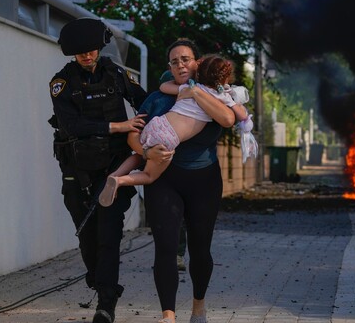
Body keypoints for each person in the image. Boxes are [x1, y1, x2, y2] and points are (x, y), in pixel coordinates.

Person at [48, 17, 147, 323]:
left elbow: (144, 102)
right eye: (81, 53)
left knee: (108, 235)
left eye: (91, 50)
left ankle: (106, 302)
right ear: (72, 54)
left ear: (99, 47)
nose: (87, 56)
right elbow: (72, 126)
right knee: (87, 236)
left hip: (113, 170)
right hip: (77, 171)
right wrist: (119, 125)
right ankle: (99, 280)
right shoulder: (61, 83)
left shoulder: (116, 74)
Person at [129, 38, 235, 323]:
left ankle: (198, 306)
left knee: (200, 249)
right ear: (170, 67)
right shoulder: (158, 98)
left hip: (204, 179)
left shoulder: (214, 94)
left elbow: (228, 119)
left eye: (185, 59)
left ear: (197, 62)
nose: (180, 65)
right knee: (165, 246)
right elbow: (132, 135)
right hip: (165, 179)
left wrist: (194, 93)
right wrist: (146, 150)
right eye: (175, 61)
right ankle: (168, 315)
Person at [98, 54, 250, 207]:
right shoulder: (221, 97)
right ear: (224, 80)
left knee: (140, 155)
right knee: (149, 175)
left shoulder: (190, 87)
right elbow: (241, 115)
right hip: (168, 138)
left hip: (158, 123)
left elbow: (163, 87)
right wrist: (229, 95)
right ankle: (120, 181)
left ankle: (115, 174)